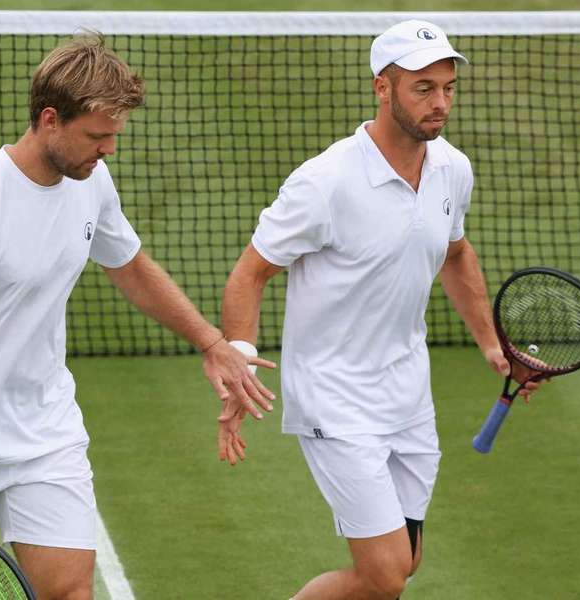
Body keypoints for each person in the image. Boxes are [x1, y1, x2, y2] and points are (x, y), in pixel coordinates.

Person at [0, 33, 275, 600]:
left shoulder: (91, 182)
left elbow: (129, 265)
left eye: (114, 135)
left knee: (71, 592)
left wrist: (211, 342)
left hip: (44, 433)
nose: (109, 149)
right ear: (49, 120)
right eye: (97, 135)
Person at [218, 20, 542, 599]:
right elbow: (250, 273)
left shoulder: (452, 168)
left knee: (405, 562)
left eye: (447, 87)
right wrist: (239, 358)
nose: (440, 102)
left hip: (408, 392)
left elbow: (456, 253)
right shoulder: (325, 183)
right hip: (335, 395)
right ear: (383, 88)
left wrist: (495, 346)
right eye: (423, 88)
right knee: (384, 574)